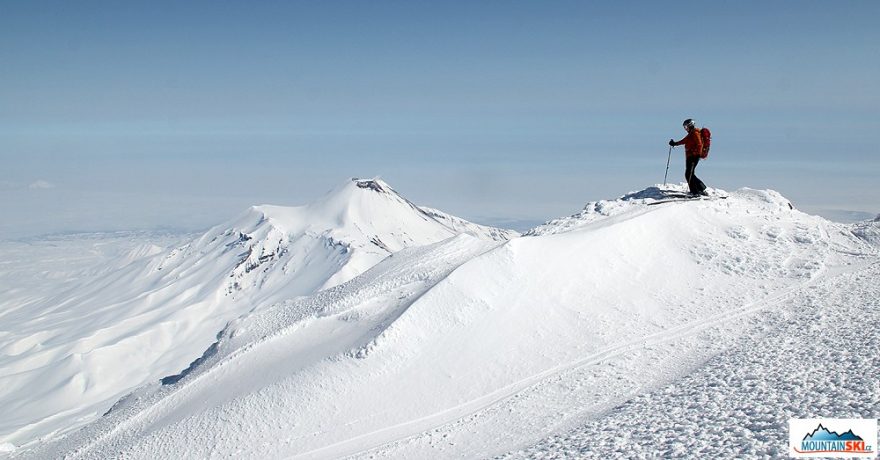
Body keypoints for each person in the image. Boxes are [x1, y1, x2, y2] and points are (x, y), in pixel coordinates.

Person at [669, 118, 707, 195]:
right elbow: (683, 141)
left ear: (690, 125)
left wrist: (694, 153)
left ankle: (695, 192)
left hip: (693, 157)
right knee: (690, 174)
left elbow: (699, 144)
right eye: (684, 127)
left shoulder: (695, 133)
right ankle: (700, 188)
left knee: (688, 174)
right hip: (690, 157)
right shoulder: (691, 134)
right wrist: (674, 143)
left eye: (686, 127)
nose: (685, 129)